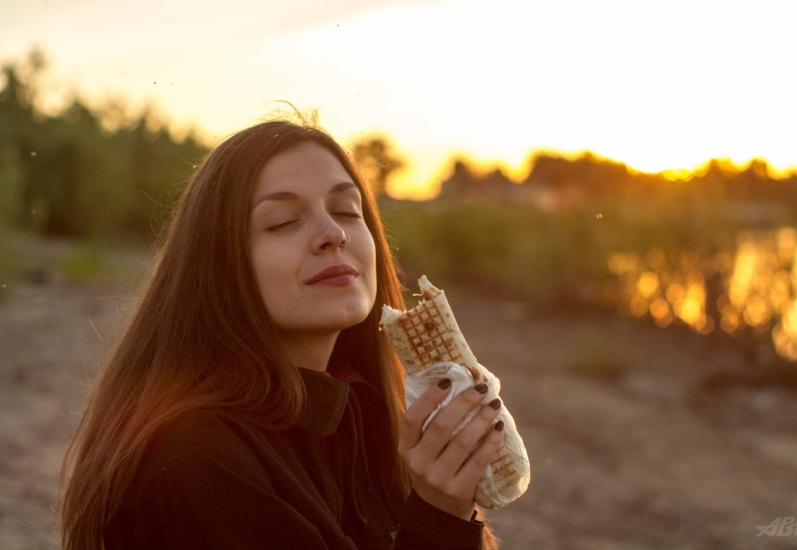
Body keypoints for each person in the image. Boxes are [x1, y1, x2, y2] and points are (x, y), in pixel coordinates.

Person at [59, 118, 506, 549]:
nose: (333, 234)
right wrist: (439, 518)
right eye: (282, 221)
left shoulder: (366, 412)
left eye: (347, 211)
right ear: (219, 265)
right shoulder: (196, 460)